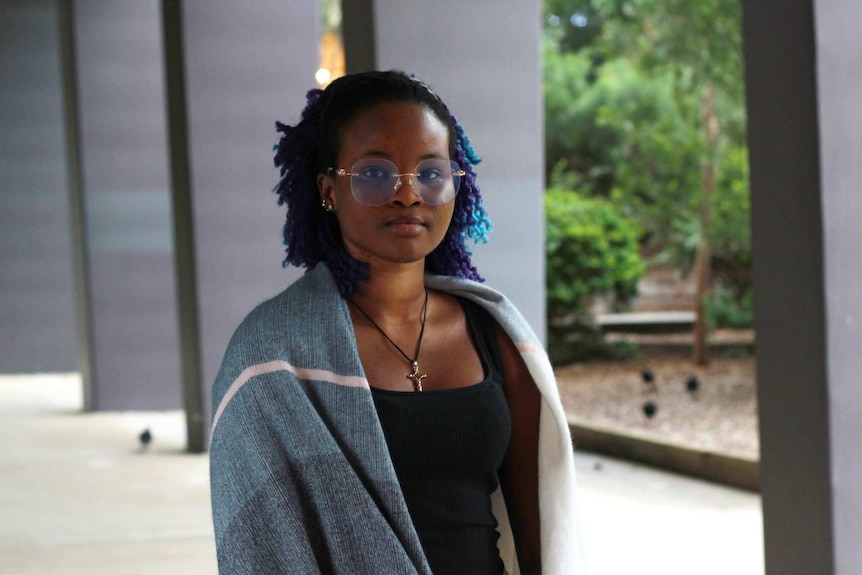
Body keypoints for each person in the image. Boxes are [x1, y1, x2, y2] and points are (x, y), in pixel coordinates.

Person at [209, 70, 584, 575]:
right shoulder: (272, 355)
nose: (408, 195)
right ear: (327, 189)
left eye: (431, 173)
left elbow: (540, 532)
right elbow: (264, 546)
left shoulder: (496, 333)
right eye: (374, 174)